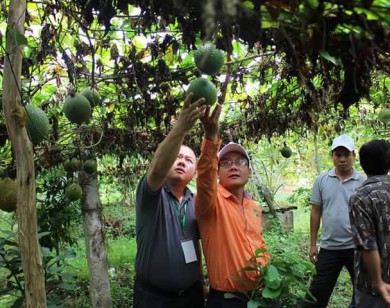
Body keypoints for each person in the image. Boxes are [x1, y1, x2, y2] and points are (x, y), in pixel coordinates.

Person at [133, 93, 207, 308]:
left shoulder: (195, 201)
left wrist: (201, 281)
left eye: (188, 160)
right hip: (153, 298)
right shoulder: (151, 195)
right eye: (177, 157)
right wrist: (181, 128)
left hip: (190, 296)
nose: (182, 162)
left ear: (194, 173)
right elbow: (156, 172)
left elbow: (194, 244)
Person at [195, 104, 269, 308]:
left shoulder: (253, 205)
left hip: (262, 294)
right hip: (227, 300)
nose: (234, 166)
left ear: (249, 172)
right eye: (226, 163)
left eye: (240, 162)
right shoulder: (210, 201)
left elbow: (259, 244)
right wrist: (211, 138)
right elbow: (204, 177)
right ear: (217, 173)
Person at [304, 134, 366, 308]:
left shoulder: (363, 181)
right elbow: (315, 212)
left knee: (363, 292)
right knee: (316, 294)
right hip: (329, 247)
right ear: (332, 156)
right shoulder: (322, 180)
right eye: (338, 155)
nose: (342, 159)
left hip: (357, 247)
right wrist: (313, 244)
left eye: (346, 155)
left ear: (354, 156)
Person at [349, 139, 390, 307]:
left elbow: (367, 244)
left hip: (373, 287)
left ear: (362, 163)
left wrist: (378, 282)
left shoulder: (360, 197)